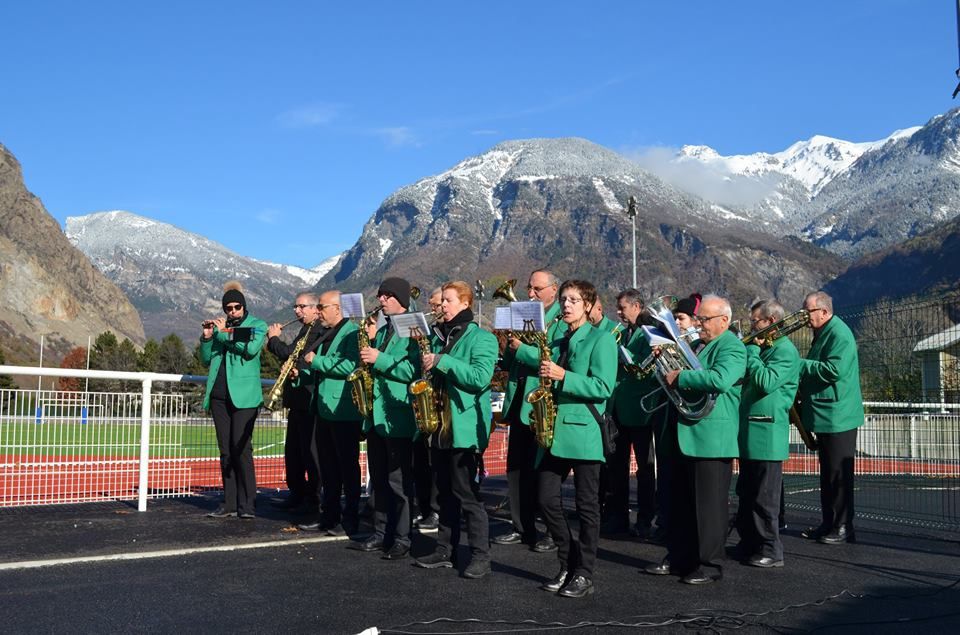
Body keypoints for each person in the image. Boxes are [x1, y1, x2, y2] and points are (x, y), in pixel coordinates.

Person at [654, 294, 745, 584]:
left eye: (705, 319)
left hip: (711, 436)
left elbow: (720, 379)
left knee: (710, 508)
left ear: (724, 320)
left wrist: (680, 377)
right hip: (687, 433)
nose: (699, 324)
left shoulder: (732, 346)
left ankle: (710, 565)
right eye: (699, 319)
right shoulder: (697, 345)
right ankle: (681, 558)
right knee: (682, 503)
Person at [535, 279, 617, 598]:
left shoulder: (602, 340)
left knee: (586, 507)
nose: (566, 305)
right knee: (544, 499)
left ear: (587, 304)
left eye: (573, 300)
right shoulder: (556, 342)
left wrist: (563, 376)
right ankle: (568, 561)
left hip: (584, 432)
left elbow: (603, 387)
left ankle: (584, 572)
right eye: (563, 299)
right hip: (555, 431)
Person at [414, 281, 498, 579]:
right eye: (442, 301)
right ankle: (444, 550)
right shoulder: (439, 338)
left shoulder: (483, 339)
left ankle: (480, 555)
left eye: (448, 300)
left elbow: (479, 378)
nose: (442, 305)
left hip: (464, 426)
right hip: (439, 426)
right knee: (445, 495)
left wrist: (442, 361)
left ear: (464, 302)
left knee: (467, 494)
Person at [492, 269, 565, 553]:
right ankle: (521, 526)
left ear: (553, 290)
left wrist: (521, 349)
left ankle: (550, 529)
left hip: (541, 404)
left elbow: (552, 359)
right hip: (519, 400)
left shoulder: (560, 320)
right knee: (517, 470)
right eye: (529, 288)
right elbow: (510, 363)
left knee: (543, 472)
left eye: (537, 289)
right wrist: (511, 346)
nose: (530, 294)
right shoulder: (526, 315)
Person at [350, 277, 421, 560]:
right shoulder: (383, 331)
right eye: (380, 295)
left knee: (399, 483)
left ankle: (403, 537)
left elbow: (412, 371)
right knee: (378, 480)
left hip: (398, 415)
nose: (380, 300)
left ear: (400, 299)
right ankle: (381, 533)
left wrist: (378, 358)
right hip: (377, 416)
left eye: (386, 296)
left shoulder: (413, 329)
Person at [735, 300, 800, 567]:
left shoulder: (785, 351)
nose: (751, 327)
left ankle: (771, 549)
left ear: (770, 322)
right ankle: (750, 543)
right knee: (747, 493)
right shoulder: (766, 347)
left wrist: (750, 352)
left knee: (765, 497)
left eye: (754, 322)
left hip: (767, 431)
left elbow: (765, 382)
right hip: (751, 428)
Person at [798, 291, 865, 545]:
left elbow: (833, 370)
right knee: (828, 475)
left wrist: (799, 364)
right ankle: (830, 523)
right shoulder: (826, 332)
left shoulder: (839, 334)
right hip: (828, 414)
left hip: (839, 416)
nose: (805, 317)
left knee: (839, 475)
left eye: (808, 312)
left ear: (824, 312)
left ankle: (843, 526)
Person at [199, 281, 268, 519]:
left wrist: (223, 335)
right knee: (226, 450)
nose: (232, 312)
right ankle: (229, 502)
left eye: (237, 307)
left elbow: (250, 350)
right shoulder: (221, 328)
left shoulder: (257, 325)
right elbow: (207, 359)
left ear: (244, 306)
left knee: (241, 449)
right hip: (219, 395)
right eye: (228, 308)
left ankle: (248, 503)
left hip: (245, 396)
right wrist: (208, 338)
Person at [298, 291, 363, 536]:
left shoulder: (352, 333)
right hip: (325, 408)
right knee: (328, 468)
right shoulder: (327, 332)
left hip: (343, 409)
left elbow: (349, 365)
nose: (318, 311)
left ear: (337, 308)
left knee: (347, 468)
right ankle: (330, 516)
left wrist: (316, 362)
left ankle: (350, 518)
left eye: (322, 307)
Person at [602, 289, 659, 538]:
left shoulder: (652, 331)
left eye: (623, 307)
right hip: (621, 409)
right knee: (617, 466)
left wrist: (629, 359)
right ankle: (618, 518)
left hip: (643, 411)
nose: (619, 312)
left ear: (636, 306)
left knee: (645, 470)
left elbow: (651, 364)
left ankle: (646, 519)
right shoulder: (622, 334)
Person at [266, 293, 325, 515]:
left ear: (315, 309)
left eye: (301, 307)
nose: (296, 311)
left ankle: (313, 497)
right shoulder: (305, 329)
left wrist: (273, 339)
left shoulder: (318, 329)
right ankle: (297, 492)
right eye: (295, 306)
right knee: (293, 451)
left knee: (310, 451)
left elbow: (291, 353)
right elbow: (293, 355)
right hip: (296, 399)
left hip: (309, 398)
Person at [412, 288, 444, 532]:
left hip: (444, 403)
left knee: (438, 466)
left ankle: (437, 510)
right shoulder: (432, 333)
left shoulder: (451, 334)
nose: (432, 309)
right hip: (427, 400)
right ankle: (425, 507)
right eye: (431, 305)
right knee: (422, 462)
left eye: (436, 305)